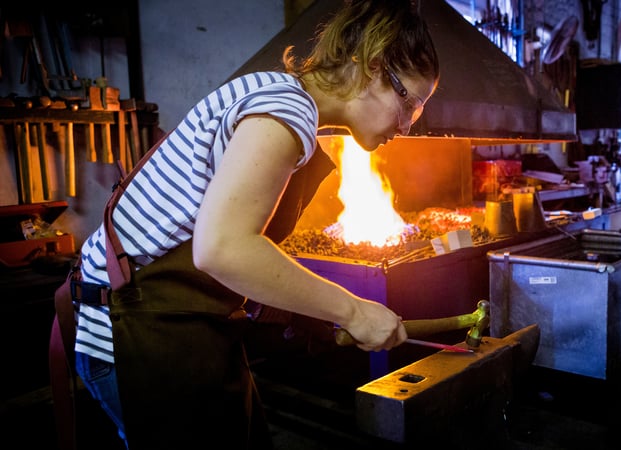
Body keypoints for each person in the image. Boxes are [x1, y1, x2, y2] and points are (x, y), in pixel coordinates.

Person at [69, 1, 439, 448]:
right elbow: (222, 248)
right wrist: (353, 310)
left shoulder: (280, 97)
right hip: (137, 330)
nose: (407, 126)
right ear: (374, 66)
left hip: (184, 326)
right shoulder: (286, 109)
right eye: (410, 104)